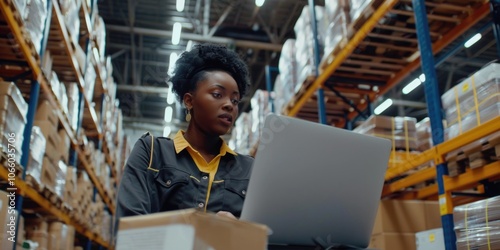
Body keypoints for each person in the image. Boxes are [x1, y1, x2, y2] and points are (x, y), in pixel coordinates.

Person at [114, 43, 254, 232]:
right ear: (189, 100)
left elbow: (264, 238)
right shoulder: (152, 152)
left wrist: (241, 233)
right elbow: (128, 230)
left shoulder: (248, 171)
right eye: (217, 94)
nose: (229, 105)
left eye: (235, 100)